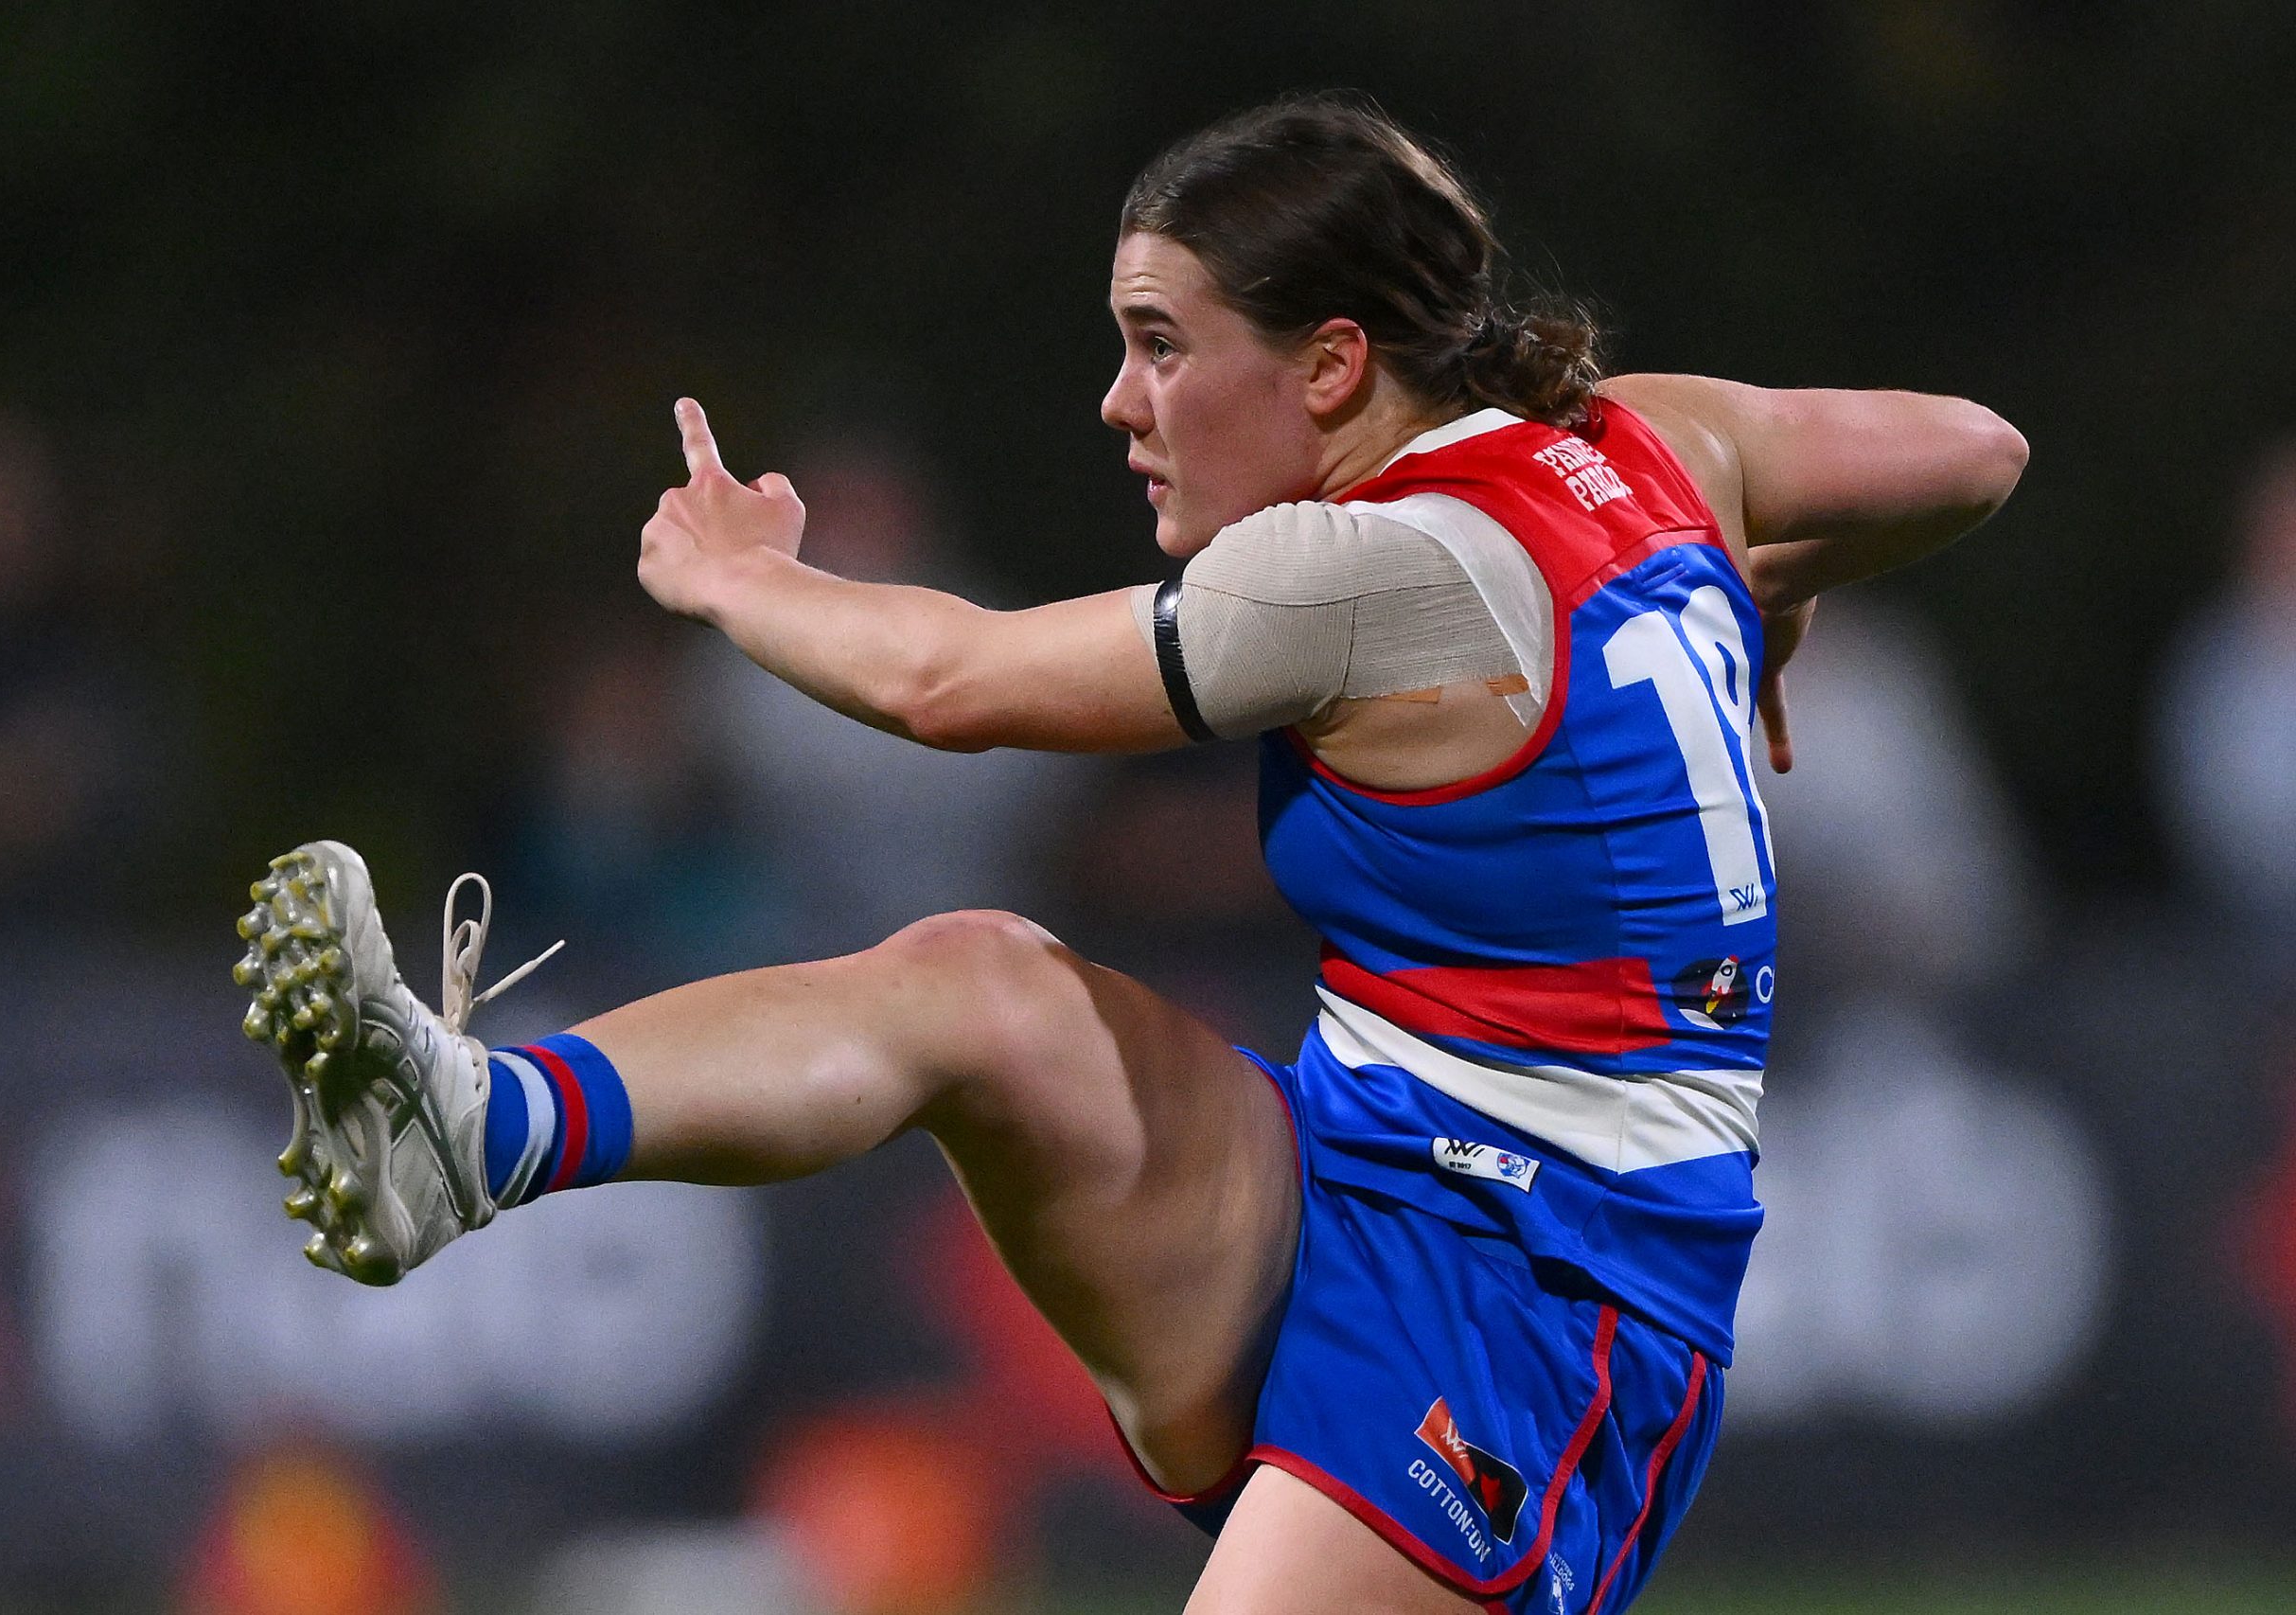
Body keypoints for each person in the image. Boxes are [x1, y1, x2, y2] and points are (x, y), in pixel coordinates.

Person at [233, 97, 2026, 1613]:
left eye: (1165, 345)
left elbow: (950, 682)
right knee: (978, 989)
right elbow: (1974, 453)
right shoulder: (1652, 443)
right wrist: (1764, 584)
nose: (1119, 400)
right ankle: (464, 1127)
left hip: (1549, 1303)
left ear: (1333, 365)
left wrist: (737, 580)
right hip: (1363, 1165)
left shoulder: (1356, 575)